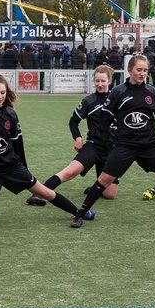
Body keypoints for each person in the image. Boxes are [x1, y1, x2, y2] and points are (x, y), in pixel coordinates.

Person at [70, 53, 155, 229]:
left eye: (145, 70)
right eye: (139, 69)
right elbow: (105, 119)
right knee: (103, 180)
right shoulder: (118, 92)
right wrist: (106, 139)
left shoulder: (151, 92)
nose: (142, 73)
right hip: (125, 146)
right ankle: (79, 215)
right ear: (130, 70)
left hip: (150, 146)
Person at [0, 73, 84, 227]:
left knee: (44, 192)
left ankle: (79, 212)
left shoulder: (10, 114)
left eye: (3, 93)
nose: (0, 97)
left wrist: (24, 168)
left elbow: (17, 144)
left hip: (11, 167)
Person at [26, 65, 119, 210]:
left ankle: (95, 187)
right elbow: (73, 121)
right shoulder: (89, 101)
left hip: (111, 150)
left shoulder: (117, 100)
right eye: (97, 81)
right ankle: (37, 194)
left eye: (103, 81)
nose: (100, 84)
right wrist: (78, 138)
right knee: (69, 172)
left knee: (110, 195)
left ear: (110, 81)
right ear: (93, 81)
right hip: (93, 146)